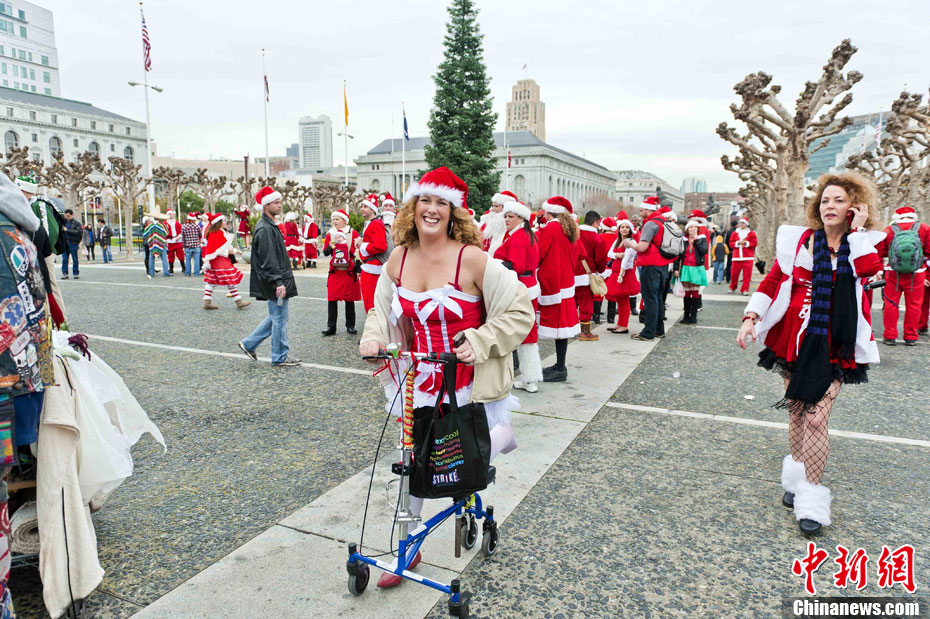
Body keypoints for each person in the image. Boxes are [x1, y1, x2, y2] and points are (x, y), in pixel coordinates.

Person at [359, 166, 533, 588]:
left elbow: (521, 310)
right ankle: (408, 545)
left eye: (442, 202)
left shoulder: (471, 258)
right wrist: (373, 338)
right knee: (414, 459)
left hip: (468, 381)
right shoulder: (398, 258)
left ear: (454, 211)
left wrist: (481, 339)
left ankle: (500, 436)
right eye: (425, 200)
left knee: (465, 458)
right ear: (413, 207)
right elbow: (381, 311)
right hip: (418, 378)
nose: (432, 209)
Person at [737, 172, 883, 535]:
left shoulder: (863, 243)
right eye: (825, 200)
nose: (830, 206)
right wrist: (751, 317)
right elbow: (774, 279)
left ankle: (812, 498)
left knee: (817, 418)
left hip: (837, 340)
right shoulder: (798, 240)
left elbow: (868, 271)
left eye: (839, 200)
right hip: (794, 336)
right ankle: (797, 476)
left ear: (855, 206)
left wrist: (858, 231)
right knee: (798, 411)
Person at [238, 186, 300, 366]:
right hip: (276, 281)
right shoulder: (265, 228)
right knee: (279, 319)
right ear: (266, 205)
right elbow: (268, 259)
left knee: (277, 317)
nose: (280, 205)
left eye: (280, 202)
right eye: (276, 202)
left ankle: (249, 344)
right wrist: (278, 282)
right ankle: (279, 357)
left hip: (278, 279)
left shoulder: (269, 225)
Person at [494, 200, 542, 392]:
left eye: (510, 216)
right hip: (528, 286)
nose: (506, 219)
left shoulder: (518, 237)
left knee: (520, 333)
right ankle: (530, 377)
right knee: (527, 332)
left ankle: (527, 379)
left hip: (520, 287)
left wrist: (494, 264)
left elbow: (517, 266)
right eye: (505, 216)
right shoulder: (527, 234)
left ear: (521, 218)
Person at [536, 196, 581, 381]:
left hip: (553, 282)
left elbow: (540, 252)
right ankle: (560, 365)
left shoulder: (552, 227)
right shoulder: (570, 228)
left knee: (558, 326)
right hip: (565, 281)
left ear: (549, 212)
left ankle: (560, 368)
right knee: (562, 327)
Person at [875, 206, 930, 346]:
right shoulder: (924, 228)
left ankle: (890, 336)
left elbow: (880, 252)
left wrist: (879, 271)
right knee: (914, 305)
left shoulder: (888, 230)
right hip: (917, 273)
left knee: (891, 304)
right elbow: (928, 253)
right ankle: (911, 337)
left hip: (893, 272)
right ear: (913, 216)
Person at [623, 196, 675, 341]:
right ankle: (658, 329)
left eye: (642, 210)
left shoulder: (651, 224)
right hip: (663, 264)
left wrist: (630, 244)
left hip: (651, 265)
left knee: (650, 299)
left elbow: (642, 247)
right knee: (658, 298)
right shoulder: (663, 221)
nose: (640, 213)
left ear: (649, 210)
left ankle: (648, 332)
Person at [321, 209, 360, 336]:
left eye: (337, 219)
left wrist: (358, 269)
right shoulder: (330, 234)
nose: (335, 222)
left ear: (344, 220)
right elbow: (326, 253)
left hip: (348, 271)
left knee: (349, 299)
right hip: (335, 272)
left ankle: (351, 325)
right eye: (333, 219)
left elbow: (358, 252)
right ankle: (331, 326)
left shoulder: (352, 233)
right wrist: (330, 246)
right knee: (332, 299)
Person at [201, 213, 250, 310]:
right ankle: (238, 301)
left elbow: (222, 247)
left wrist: (234, 250)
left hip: (215, 260)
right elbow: (219, 250)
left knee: (212, 281)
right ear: (219, 223)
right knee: (229, 279)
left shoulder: (217, 232)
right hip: (220, 260)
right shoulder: (217, 233)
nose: (225, 222)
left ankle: (207, 302)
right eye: (223, 220)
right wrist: (233, 251)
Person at [575, 211, 608, 341]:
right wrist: (600, 271)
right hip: (585, 274)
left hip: (570, 273)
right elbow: (600, 259)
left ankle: (569, 328)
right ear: (595, 222)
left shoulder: (573, 234)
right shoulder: (596, 238)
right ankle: (585, 332)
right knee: (586, 303)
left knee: (570, 302)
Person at [605, 217, 639, 334]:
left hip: (624, 273)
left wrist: (621, 274)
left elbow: (626, 259)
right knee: (619, 300)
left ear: (631, 229)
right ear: (619, 229)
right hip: (616, 273)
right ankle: (619, 323)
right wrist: (617, 255)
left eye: (627, 227)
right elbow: (609, 253)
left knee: (624, 300)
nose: (624, 229)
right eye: (622, 227)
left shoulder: (631, 242)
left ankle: (624, 325)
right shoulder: (617, 240)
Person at [356, 193, 389, 313]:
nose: (362, 208)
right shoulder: (371, 223)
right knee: (371, 302)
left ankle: (373, 324)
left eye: (365, 206)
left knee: (371, 303)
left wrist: (362, 245)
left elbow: (380, 246)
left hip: (373, 269)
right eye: (362, 206)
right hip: (370, 267)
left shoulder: (375, 223)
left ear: (372, 209)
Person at [675, 220, 708, 325]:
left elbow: (704, 251)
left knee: (695, 292)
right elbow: (678, 255)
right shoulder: (683, 240)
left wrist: (696, 240)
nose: (693, 229)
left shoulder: (701, 239)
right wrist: (676, 269)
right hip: (685, 268)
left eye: (695, 227)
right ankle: (686, 315)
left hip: (697, 268)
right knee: (687, 293)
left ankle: (693, 316)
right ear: (687, 229)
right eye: (691, 227)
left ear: (698, 229)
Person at [593, 217, 618, 325]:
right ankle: (611, 318)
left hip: (601, 268)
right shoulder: (618, 238)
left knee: (598, 293)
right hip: (613, 268)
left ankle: (596, 317)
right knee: (612, 294)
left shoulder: (599, 237)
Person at [480, 190, 515, 255]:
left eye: (496, 206)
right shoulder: (488, 219)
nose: (492, 209)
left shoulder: (510, 225)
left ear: (504, 207)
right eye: (492, 206)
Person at [728, 217, 757, 295]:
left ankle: (745, 289)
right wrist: (738, 243)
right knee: (734, 274)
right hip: (736, 257)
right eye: (740, 223)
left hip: (748, 257)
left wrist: (746, 243)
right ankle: (732, 287)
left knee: (747, 275)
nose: (741, 224)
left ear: (746, 224)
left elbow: (754, 243)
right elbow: (730, 243)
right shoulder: (734, 233)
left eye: (743, 223)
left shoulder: (751, 233)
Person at [60, 208, 82, 279]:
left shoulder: (77, 223)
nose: (67, 217)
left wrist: (67, 230)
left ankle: (76, 273)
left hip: (73, 242)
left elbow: (78, 232)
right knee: (64, 259)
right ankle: (65, 273)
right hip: (64, 243)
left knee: (75, 259)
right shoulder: (63, 222)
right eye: (66, 216)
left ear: (72, 215)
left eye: (68, 216)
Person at [163, 210, 185, 274]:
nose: (170, 215)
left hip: (177, 240)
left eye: (171, 214)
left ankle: (183, 267)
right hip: (169, 240)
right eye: (169, 214)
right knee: (170, 255)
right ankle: (171, 268)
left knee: (180, 254)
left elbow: (181, 231)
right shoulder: (165, 223)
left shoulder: (177, 223)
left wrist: (179, 236)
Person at [182, 212, 202, 276]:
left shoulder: (184, 226)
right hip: (196, 245)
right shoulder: (197, 226)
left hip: (188, 246)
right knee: (197, 260)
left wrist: (184, 246)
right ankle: (196, 273)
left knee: (188, 260)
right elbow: (200, 235)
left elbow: (183, 237)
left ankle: (188, 273)